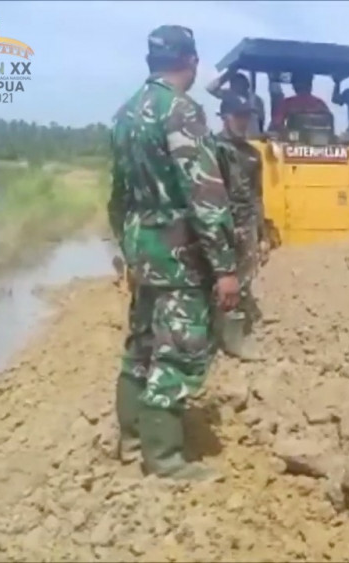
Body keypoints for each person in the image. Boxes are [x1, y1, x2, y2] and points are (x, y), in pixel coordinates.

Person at [108, 24, 240, 481]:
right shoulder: (180, 110)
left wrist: (129, 250)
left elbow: (118, 198)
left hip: (143, 249)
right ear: (191, 61)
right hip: (180, 255)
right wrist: (224, 267)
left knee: (141, 346)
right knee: (179, 351)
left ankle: (131, 440)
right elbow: (205, 194)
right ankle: (163, 459)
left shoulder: (126, 114)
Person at [214, 93, 270, 361]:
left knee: (243, 282)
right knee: (216, 280)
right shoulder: (212, 150)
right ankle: (214, 334)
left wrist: (262, 234)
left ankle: (235, 338)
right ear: (225, 117)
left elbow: (257, 197)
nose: (244, 122)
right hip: (217, 226)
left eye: (247, 117)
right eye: (239, 116)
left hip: (246, 225)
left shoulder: (252, 155)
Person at [207, 69, 268, 136]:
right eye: (233, 83)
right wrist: (228, 74)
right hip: (230, 135)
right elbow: (210, 88)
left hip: (251, 135)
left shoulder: (256, 100)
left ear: (246, 85)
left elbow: (261, 120)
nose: (234, 86)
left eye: (238, 83)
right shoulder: (228, 95)